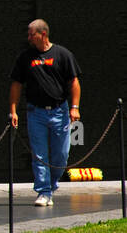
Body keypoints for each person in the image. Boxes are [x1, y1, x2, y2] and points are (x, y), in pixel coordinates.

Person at [9, 19, 82, 206]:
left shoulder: (63, 54)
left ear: (43, 34)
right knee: (39, 154)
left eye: (31, 34)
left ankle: (51, 184)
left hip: (60, 111)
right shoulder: (25, 57)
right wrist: (13, 110)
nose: (29, 38)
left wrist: (75, 107)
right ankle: (43, 191)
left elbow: (74, 82)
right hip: (36, 113)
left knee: (61, 155)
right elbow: (16, 84)